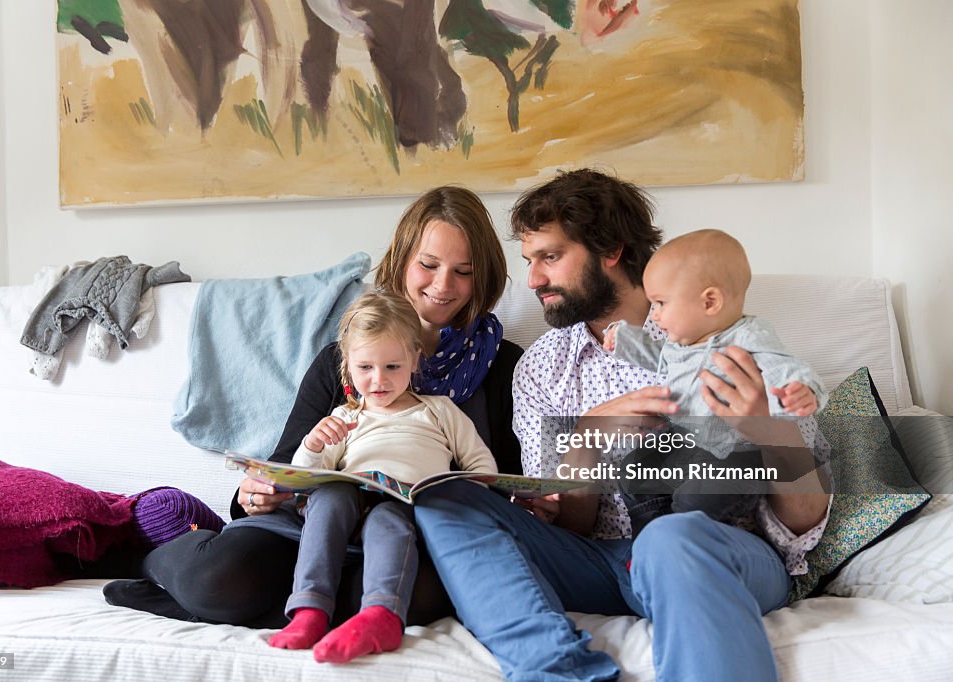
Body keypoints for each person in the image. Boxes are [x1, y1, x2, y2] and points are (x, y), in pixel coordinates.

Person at [414, 169, 831, 681]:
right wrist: (589, 436)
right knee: (443, 499)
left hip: (717, 553)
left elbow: (806, 521)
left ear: (610, 248)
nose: (534, 280)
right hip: (599, 561)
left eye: (550, 257)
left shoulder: (721, 338)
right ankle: (559, 671)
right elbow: (570, 526)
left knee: (667, 539)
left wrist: (767, 427)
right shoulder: (541, 367)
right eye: (530, 260)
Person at [103, 186, 524, 629]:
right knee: (219, 579)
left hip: (412, 537)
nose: (443, 285)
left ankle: (245, 610)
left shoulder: (503, 366)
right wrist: (255, 493)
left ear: (484, 277)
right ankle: (159, 565)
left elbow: (504, 483)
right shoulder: (342, 358)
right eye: (429, 264)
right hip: (314, 528)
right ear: (402, 262)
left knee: (420, 596)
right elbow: (286, 465)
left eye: (463, 271)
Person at [268, 290, 498, 662]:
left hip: (410, 508)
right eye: (366, 368)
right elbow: (302, 479)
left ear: (414, 359)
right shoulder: (345, 417)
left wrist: (463, 493)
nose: (379, 380)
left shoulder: (440, 411)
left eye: (393, 366)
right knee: (328, 497)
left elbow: (481, 467)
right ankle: (309, 611)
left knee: (388, 516)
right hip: (349, 507)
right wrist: (312, 444)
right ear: (348, 365)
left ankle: (382, 616)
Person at [601, 228, 828, 530]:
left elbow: (784, 366)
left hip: (736, 454)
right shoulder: (679, 344)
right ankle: (649, 540)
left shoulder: (748, 336)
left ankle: (683, 538)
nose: (654, 316)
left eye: (661, 304)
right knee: (635, 469)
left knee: (700, 497)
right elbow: (656, 356)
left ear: (709, 302)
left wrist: (802, 390)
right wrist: (625, 339)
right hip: (684, 442)